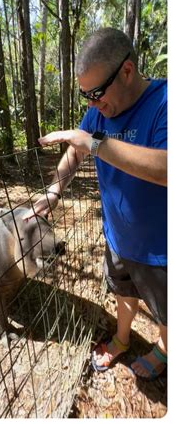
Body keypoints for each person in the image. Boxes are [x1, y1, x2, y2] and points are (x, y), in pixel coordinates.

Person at [24, 28, 167, 381]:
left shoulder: (164, 102)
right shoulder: (100, 113)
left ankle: (163, 350)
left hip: (161, 250)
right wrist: (56, 190)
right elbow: (77, 149)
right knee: (122, 292)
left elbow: (166, 168)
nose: (92, 104)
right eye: (85, 96)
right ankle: (121, 340)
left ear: (127, 71)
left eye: (97, 94)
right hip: (118, 237)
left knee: (166, 313)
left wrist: (96, 144)